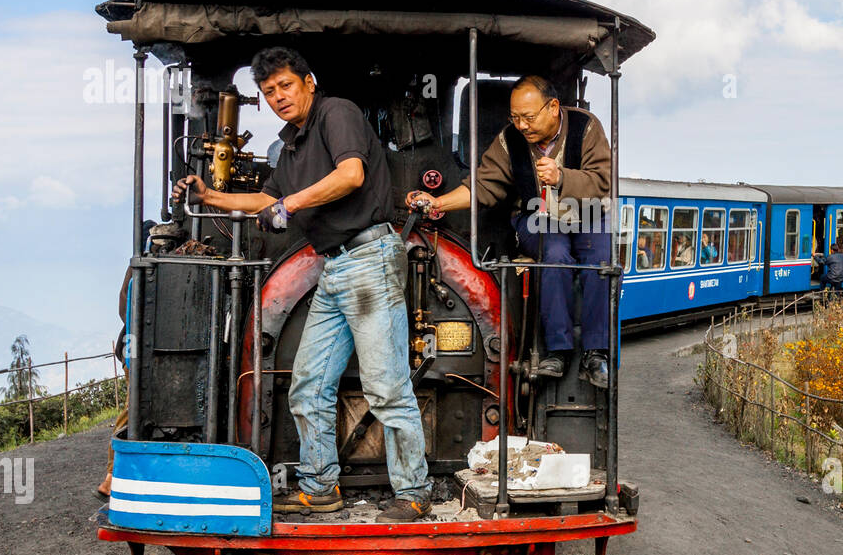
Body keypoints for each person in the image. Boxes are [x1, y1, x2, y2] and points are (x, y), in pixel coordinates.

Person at [173, 46, 432, 522]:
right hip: (334, 268)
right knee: (308, 385)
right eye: (269, 92)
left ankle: (413, 491)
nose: (278, 97)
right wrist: (210, 195)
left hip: (370, 259)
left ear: (308, 82)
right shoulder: (291, 144)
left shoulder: (337, 113)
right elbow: (266, 198)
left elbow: (350, 175)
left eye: (285, 86)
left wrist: (288, 205)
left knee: (385, 387)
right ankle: (320, 488)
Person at [406, 75, 613, 388]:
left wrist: (561, 178)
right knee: (553, 252)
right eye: (515, 118)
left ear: (554, 107)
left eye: (528, 118)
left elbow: (602, 183)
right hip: (535, 218)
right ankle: (558, 350)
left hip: (586, 214)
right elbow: (483, 185)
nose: (522, 126)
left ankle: (596, 352)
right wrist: (438, 202)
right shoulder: (509, 139)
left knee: (601, 257)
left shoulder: (586, 127)